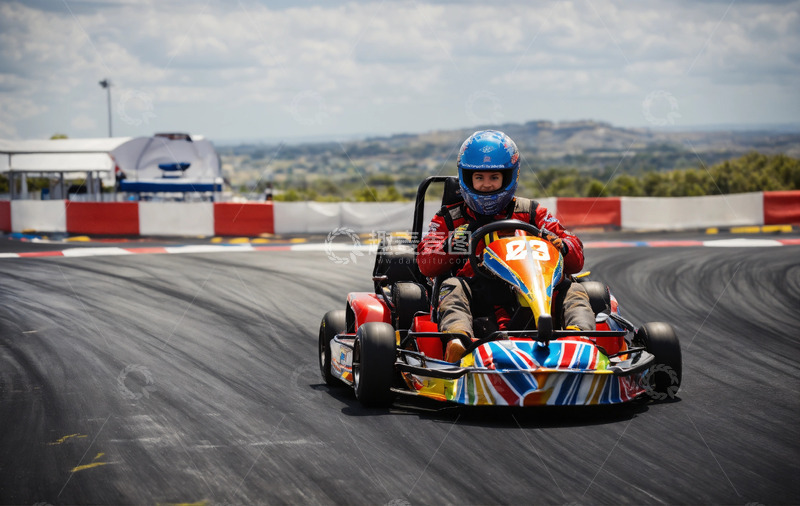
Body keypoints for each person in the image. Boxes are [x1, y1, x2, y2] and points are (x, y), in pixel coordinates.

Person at [416, 130, 596, 362]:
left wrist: (561, 246)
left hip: (530, 291)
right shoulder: (451, 218)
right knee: (452, 286)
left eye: (494, 177)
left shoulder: (531, 212)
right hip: (477, 297)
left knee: (573, 289)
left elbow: (575, 255)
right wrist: (457, 242)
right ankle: (458, 343)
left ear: (509, 177)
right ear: (466, 178)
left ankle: (581, 341)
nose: (487, 185)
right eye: (479, 178)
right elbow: (426, 262)